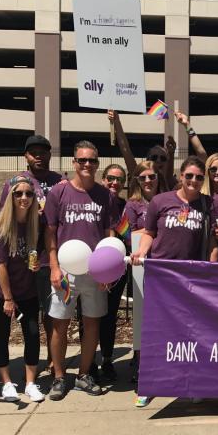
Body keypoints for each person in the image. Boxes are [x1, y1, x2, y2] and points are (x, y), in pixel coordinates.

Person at [131, 157, 214, 406]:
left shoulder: (207, 204)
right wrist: (143, 252)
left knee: (191, 332)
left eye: (199, 177)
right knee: (156, 331)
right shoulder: (161, 201)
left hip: (192, 278)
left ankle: (191, 382)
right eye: (189, 176)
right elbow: (149, 233)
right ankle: (148, 385)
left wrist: (211, 268)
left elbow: (211, 241)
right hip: (161, 277)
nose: (194, 181)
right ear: (180, 175)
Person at [44, 140, 114, 401]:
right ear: (73, 162)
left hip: (96, 272)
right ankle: (60, 377)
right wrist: (53, 266)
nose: (87, 164)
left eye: (92, 160)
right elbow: (49, 233)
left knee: (92, 323)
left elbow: (110, 233)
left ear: (97, 163)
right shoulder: (58, 194)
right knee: (59, 324)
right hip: (65, 272)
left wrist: (107, 269)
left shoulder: (106, 195)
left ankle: (84, 374)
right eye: (82, 160)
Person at [0, 134, 65, 373]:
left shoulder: (60, 182)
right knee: (27, 315)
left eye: (43, 151)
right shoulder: (16, 182)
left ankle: (52, 357)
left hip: (51, 257)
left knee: (52, 312)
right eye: (33, 152)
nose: (38, 155)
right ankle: (23, 365)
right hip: (22, 260)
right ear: (25, 156)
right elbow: (2, 217)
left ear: (50, 154)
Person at [0, 176, 44, 402]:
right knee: (2, 333)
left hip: (26, 289)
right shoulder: (3, 226)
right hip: (0, 290)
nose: (24, 198)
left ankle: (30, 383)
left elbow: (34, 257)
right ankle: (7, 383)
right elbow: (0, 267)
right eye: (18, 193)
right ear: (10, 197)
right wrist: (8, 299)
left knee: (32, 333)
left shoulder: (34, 224)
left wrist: (37, 264)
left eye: (29, 194)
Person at [122, 160, 161, 387]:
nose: (148, 181)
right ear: (136, 180)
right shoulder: (132, 205)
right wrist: (153, 232)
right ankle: (139, 360)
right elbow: (129, 234)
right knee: (141, 316)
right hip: (141, 267)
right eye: (143, 177)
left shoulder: (168, 199)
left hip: (164, 265)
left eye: (152, 176)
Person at [90, 163, 129, 383]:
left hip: (118, 268)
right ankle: (90, 363)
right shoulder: (93, 202)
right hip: (93, 266)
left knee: (109, 315)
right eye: (111, 178)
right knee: (90, 316)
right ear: (103, 179)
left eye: (120, 179)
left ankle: (107, 359)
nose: (115, 183)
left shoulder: (125, 206)